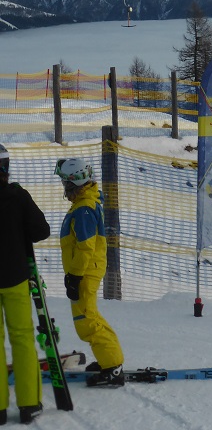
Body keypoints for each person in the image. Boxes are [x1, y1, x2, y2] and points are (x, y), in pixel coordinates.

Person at [55, 158, 125, 388]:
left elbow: (86, 247)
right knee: (90, 316)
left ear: (75, 184)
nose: (64, 190)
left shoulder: (84, 209)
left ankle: (113, 367)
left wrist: (74, 276)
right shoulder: (85, 204)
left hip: (85, 271)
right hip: (86, 269)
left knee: (86, 320)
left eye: (66, 184)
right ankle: (110, 361)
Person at [0, 142, 50, 425]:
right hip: (15, 278)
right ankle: (29, 404)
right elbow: (41, 230)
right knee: (21, 339)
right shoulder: (17, 197)